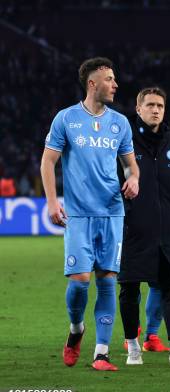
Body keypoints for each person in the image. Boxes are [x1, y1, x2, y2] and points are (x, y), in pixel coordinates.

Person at [40, 57, 139, 371]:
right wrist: (52, 201)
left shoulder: (120, 123)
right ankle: (76, 329)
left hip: (111, 213)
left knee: (107, 280)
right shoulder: (66, 119)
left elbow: (130, 165)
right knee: (80, 281)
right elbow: (47, 162)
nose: (115, 84)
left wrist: (134, 178)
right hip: (79, 214)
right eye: (109, 78)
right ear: (92, 83)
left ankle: (101, 353)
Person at [118, 87, 170, 366]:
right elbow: (111, 179)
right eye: (150, 105)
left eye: (160, 106)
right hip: (134, 229)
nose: (156, 110)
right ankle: (132, 347)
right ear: (138, 109)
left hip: (169, 229)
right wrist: (126, 212)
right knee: (130, 287)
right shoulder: (123, 140)